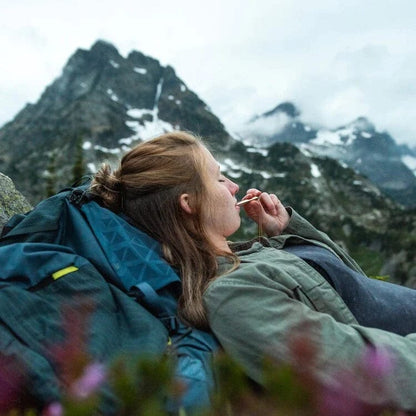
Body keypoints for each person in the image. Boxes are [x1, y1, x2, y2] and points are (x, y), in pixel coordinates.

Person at [90, 130, 416, 410]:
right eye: (218, 177)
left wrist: (291, 231)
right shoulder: (233, 295)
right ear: (189, 203)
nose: (233, 186)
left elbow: (352, 287)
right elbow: (358, 372)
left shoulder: (249, 255)